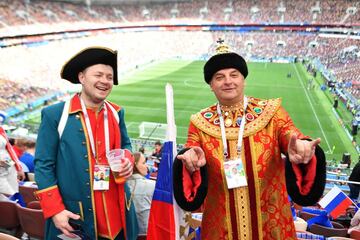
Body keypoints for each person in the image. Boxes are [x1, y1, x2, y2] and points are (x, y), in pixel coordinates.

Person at [172, 42, 326, 239]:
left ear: (243, 79)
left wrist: (301, 147)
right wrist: (190, 160)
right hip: (221, 225)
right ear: (211, 85)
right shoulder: (199, 122)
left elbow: (290, 134)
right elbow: (192, 148)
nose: (228, 81)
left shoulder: (272, 112)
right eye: (219, 77)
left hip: (271, 223)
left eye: (234, 75)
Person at [34, 47, 134, 240]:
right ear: (81, 77)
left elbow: (126, 146)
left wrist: (127, 160)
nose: (105, 81)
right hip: (76, 218)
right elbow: (43, 165)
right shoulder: (55, 115)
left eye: (109, 77)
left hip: (119, 216)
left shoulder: (116, 112)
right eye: (98, 75)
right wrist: (55, 211)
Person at [127, 152, 155, 238]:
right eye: (143, 163)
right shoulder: (152, 185)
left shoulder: (123, 185)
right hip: (147, 233)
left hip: (129, 233)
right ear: (135, 165)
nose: (146, 166)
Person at [0, 126, 25, 201]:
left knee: (15, 197)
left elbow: (7, 150)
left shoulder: (1, 130)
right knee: (7, 200)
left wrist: (17, 168)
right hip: (2, 173)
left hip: (7, 169)